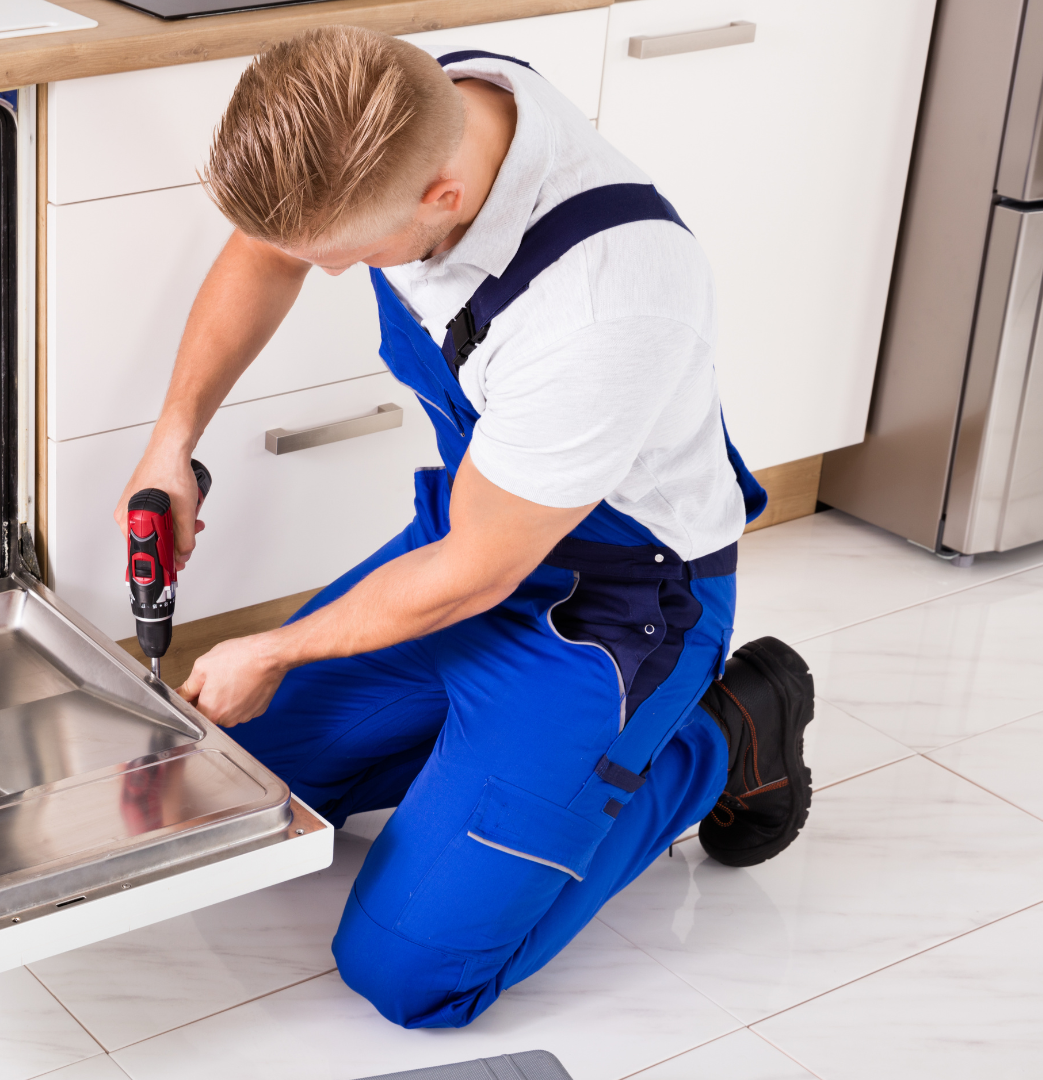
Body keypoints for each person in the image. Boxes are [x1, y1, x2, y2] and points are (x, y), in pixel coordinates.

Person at [113, 27, 817, 1029]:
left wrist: (281, 644)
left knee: (409, 976)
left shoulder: (606, 300)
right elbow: (269, 247)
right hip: (472, 536)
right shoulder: (402, 105)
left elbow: (477, 574)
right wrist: (169, 444)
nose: (323, 272)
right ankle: (498, 767)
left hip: (614, 613)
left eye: (343, 257)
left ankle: (720, 735)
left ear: (442, 200)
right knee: (234, 790)